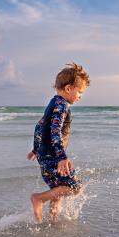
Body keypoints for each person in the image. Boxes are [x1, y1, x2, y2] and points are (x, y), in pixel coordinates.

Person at [27, 63, 90, 223]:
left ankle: (53, 221)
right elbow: (55, 130)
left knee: (57, 189)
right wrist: (62, 156)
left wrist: (36, 149)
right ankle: (39, 199)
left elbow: (40, 125)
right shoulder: (61, 105)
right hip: (54, 156)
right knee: (74, 187)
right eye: (80, 92)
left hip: (44, 154)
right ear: (69, 88)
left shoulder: (53, 103)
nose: (80, 96)